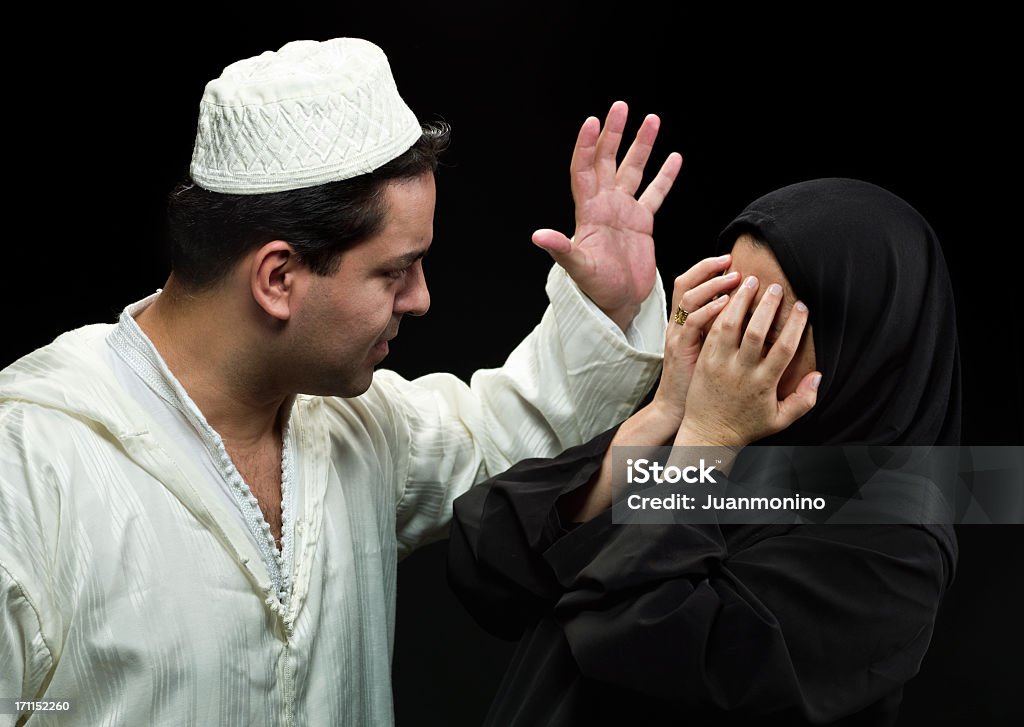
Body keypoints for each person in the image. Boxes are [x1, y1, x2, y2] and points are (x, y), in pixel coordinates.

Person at [0, 38, 684, 725]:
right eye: (395, 270)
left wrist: (608, 306)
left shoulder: (357, 428)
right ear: (277, 278)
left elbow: (503, 445)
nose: (419, 298)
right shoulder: (29, 466)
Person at [448, 177, 960, 725]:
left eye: (767, 318)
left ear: (864, 338)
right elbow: (490, 557)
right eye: (727, 302)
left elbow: (634, 640)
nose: (728, 340)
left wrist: (705, 445)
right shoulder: (721, 446)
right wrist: (666, 410)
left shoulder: (898, 544)